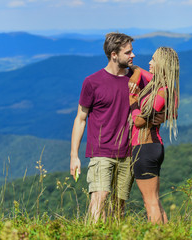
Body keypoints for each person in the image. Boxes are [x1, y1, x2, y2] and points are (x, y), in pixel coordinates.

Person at [70, 32, 136, 223]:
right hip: (101, 152)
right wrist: (74, 156)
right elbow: (80, 119)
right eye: (128, 52)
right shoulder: (92, 82)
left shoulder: (135, 78)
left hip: (128, 153)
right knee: (99, 199)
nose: (133, 55)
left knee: (119, 207)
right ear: (114, 54)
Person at [128, 47, 180, 224]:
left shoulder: (162, 90)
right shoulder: (161, 85)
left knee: (149, 202)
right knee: (155, 201)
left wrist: (133, 100)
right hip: (153, 147)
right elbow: (137, 69)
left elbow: (139, 122)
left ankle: (156, 235)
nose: (149, 63)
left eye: (153, 60)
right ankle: (167, 234)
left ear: (162, 65)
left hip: (144, 148)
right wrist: (135, 74)